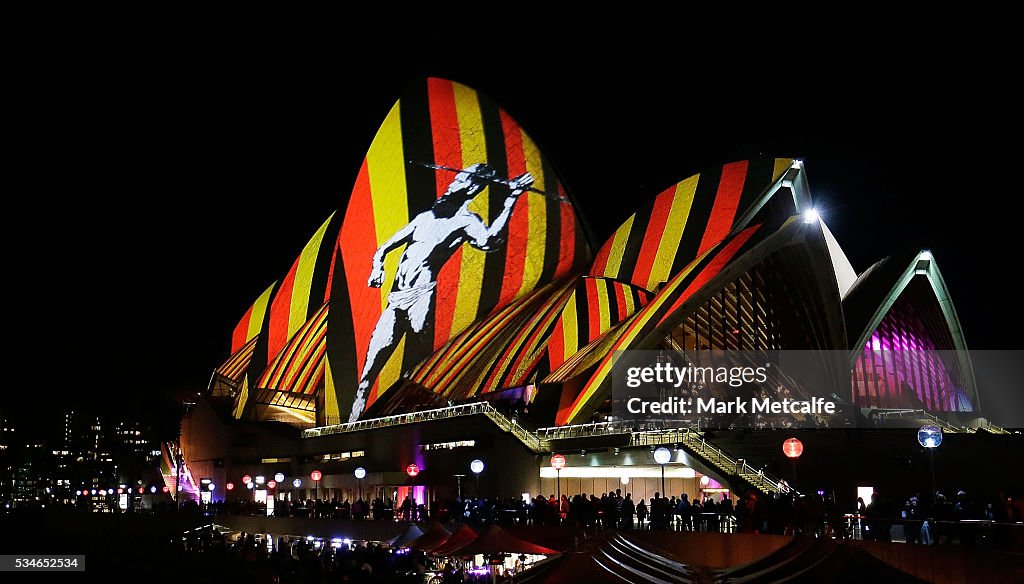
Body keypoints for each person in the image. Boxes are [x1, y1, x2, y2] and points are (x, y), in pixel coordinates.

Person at [349, 164, 535, 421]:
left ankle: (405, 420)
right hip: (395, 300)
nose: (452, 183)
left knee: (412, 372)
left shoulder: (466, 221)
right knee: (368, 373)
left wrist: (511, 198)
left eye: (461, 180)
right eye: (456, 178)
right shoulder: (425, 217)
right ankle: (350, 424)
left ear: (471, 188)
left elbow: (490, 241)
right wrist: (376, 268)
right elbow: (384, 247)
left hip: (421, 298)